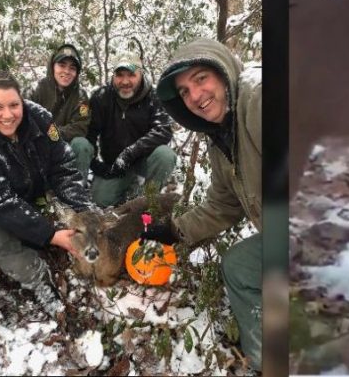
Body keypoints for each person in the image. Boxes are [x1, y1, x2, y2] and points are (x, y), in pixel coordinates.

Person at [142, 38, 262, 372]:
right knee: (239, 266)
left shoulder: (257, 99)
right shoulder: (222, 137)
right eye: (183, 91)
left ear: (223, 73)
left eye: (200, 79)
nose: (195, 96)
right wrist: (174, 230)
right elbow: (224, 205)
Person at [0, 70, 92, 317]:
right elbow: (1, 203)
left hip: (37, 193)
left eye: (14, 105)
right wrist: (49, 234)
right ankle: (36, 276)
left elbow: (63, 167)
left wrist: (83, 211)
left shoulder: (40, 118)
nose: (8, 115)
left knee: (82, 216)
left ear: (22, 101)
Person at [83, 51, 176, 207]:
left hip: (143, 161)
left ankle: (146, 200)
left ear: (140, 74)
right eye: (120, 75)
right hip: (114, 165)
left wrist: (130, 153)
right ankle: (129, 191)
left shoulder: (154, 96)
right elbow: (90, 133)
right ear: (113, 76)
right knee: (100, 200)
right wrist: (97, 165)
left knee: (165, 155)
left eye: (131, 75)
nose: (125, 81)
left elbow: (163, 130)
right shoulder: (101, 97)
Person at [26, 44, 93, 180]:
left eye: (72, 68)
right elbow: (25, 121)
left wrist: (54, 134)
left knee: (82, 144)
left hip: (64, 144)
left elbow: (80, 126)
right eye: (62, 65)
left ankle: (76, 189)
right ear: (53, 67)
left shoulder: (82, 96)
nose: (67, 71)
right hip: (38, 144)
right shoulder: (35, 90)